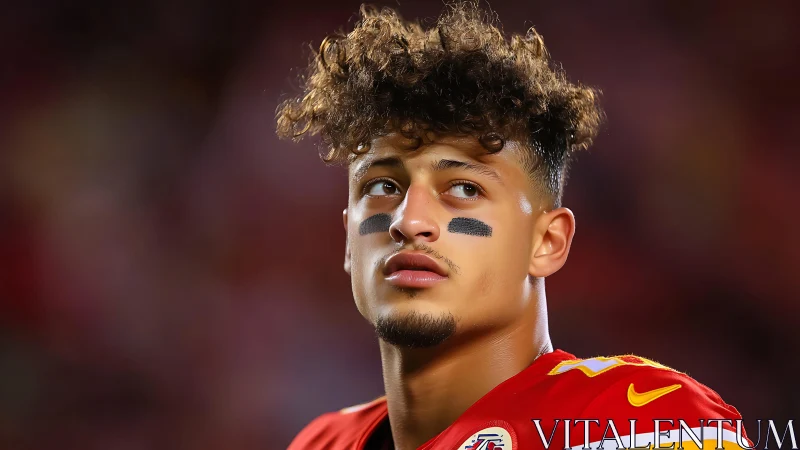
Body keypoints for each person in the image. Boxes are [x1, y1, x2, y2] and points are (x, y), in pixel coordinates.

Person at [276, 2, 750, 449]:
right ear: (346, 239)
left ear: (547, 241)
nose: (410, 221)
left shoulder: (642, 424)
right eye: (382, 186)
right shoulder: (320, 441)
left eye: (463, 189)